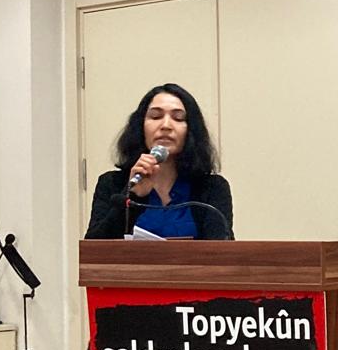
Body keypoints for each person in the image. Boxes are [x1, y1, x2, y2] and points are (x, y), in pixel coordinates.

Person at [84, 83, 234, 240]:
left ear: (191, 131)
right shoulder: (111, 184)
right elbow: (93, 247)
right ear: (141, 127)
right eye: (155, 117)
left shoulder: (212, 188)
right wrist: (134, 195)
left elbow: (223, 249)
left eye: (178, 118)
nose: (166, 126)